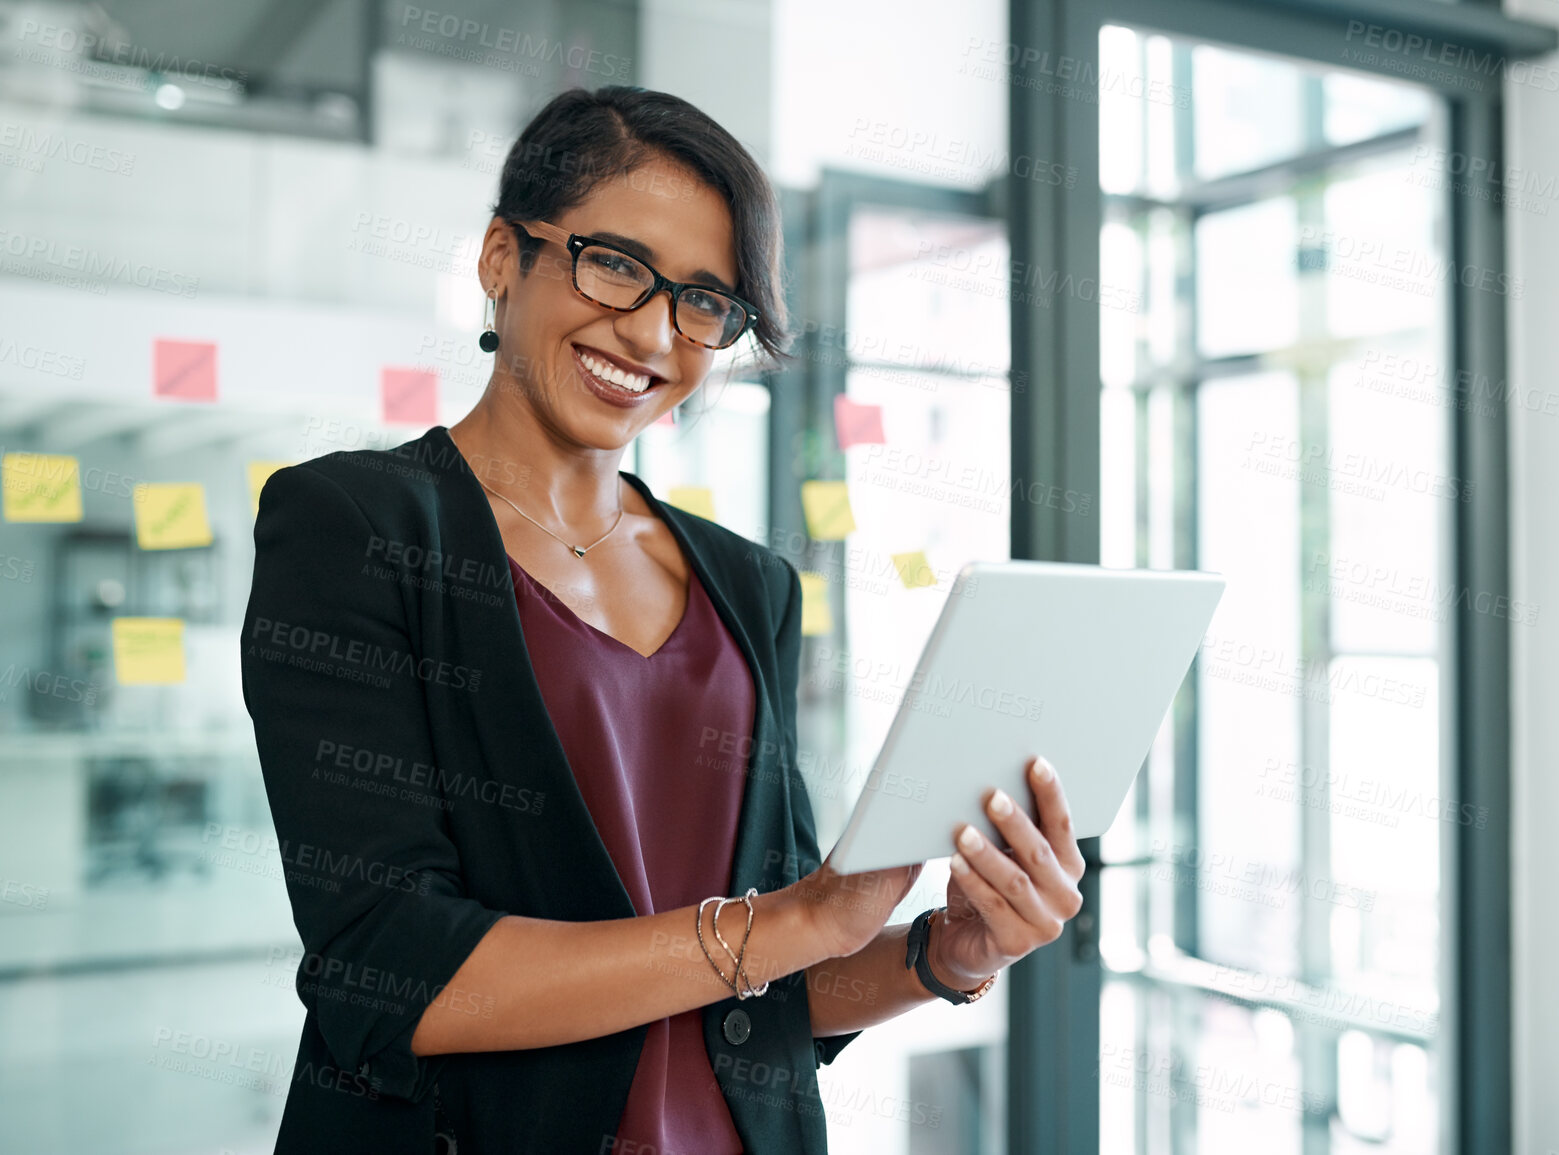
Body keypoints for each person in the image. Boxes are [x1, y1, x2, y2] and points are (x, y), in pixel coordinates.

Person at [240, 84, 1085, 1155]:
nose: (650, 330)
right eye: (617, 264)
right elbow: (391, 973)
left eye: (703, 301)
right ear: (504, 257)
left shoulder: (750, 586)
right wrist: (797, 921)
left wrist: (945, 955)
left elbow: (762, 988)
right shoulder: (353, 524)